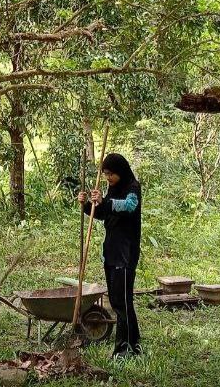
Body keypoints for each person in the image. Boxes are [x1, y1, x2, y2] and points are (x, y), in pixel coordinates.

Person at [77, 152, 142, 357]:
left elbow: (129, 207)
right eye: (105, 174)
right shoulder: (112, 188)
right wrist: (88, 204)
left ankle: (125, 349)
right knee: (116, 301)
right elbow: (104, 213)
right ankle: (133, 343)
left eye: (111, 174)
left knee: (123, 302)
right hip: (111, 252)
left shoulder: (133, 188)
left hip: (125, 253)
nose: (108, 178)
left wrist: (105, 202)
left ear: (120, 171)